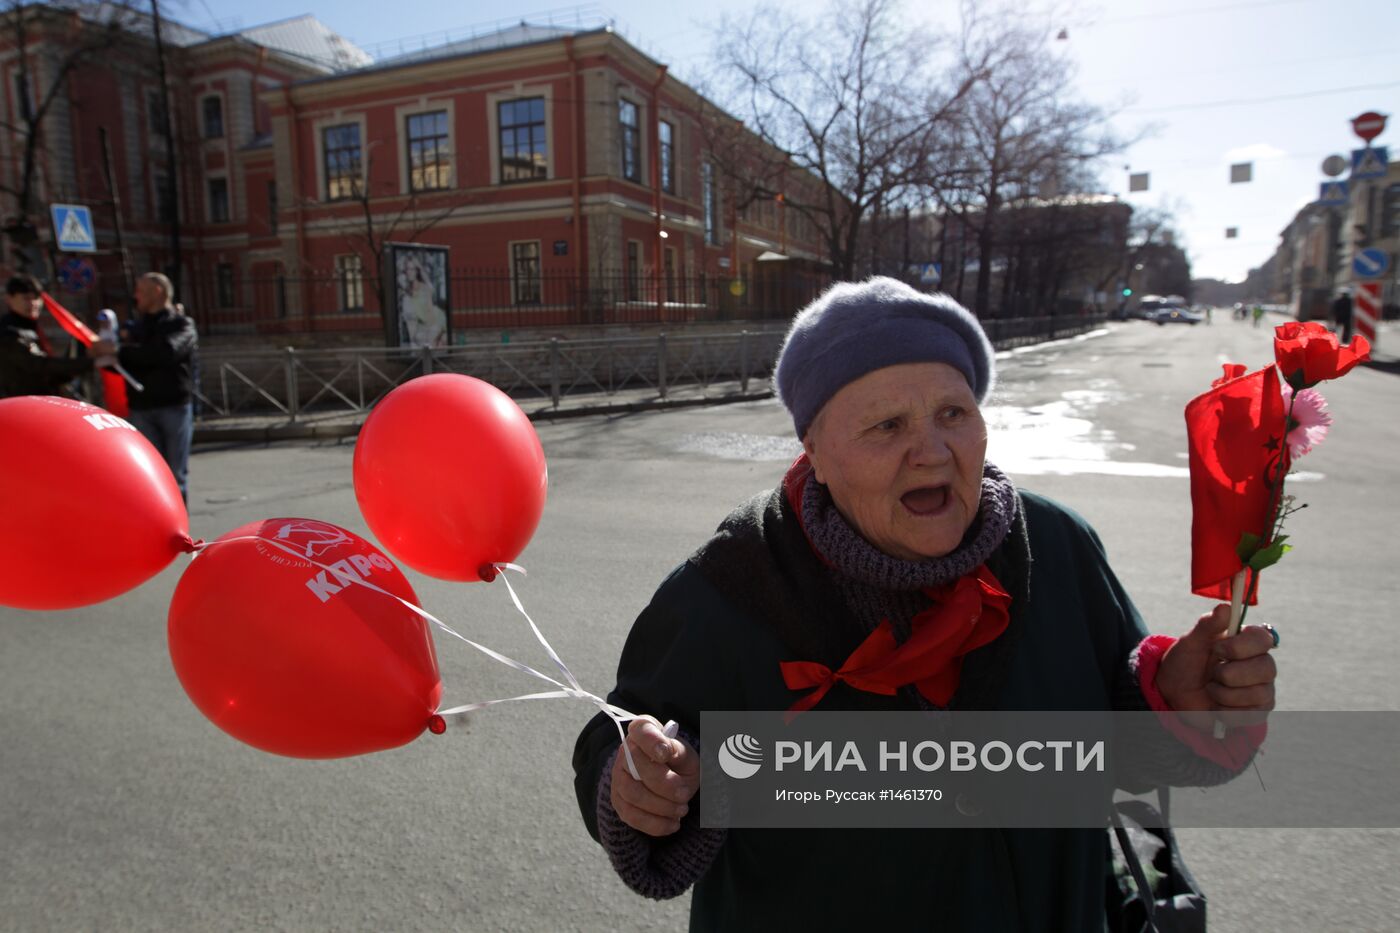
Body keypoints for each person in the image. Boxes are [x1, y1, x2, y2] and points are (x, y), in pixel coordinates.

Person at [572, 277, 1278, 930]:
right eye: (887, 425)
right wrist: (641, 785)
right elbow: (625, 740)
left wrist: (1171, 703)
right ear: (815, 449)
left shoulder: (1056, 546)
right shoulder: (732, 584)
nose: (932, 451)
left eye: (953, 413)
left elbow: (1119, 753)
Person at [99, 272, 197, 503]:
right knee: (149, 477)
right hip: (141, 408)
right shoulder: (134, 327)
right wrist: (104, 353)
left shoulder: (181, 324)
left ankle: (179, 524)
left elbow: (165, 353)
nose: (136, 296)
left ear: (158, 292)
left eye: (141, 291)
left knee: (175, 477)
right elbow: (120, 363)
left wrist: (121, 351)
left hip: (173, 406)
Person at [0, 273, 100, 399]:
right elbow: (40, 365)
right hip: (19, 405)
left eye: (36, 298)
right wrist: (91, 363)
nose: (33, 303)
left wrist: (83, 359)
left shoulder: (33, 329)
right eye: (26, 298)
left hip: (38, 401)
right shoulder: (9, 332)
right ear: (9, 298)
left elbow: (51, 376)